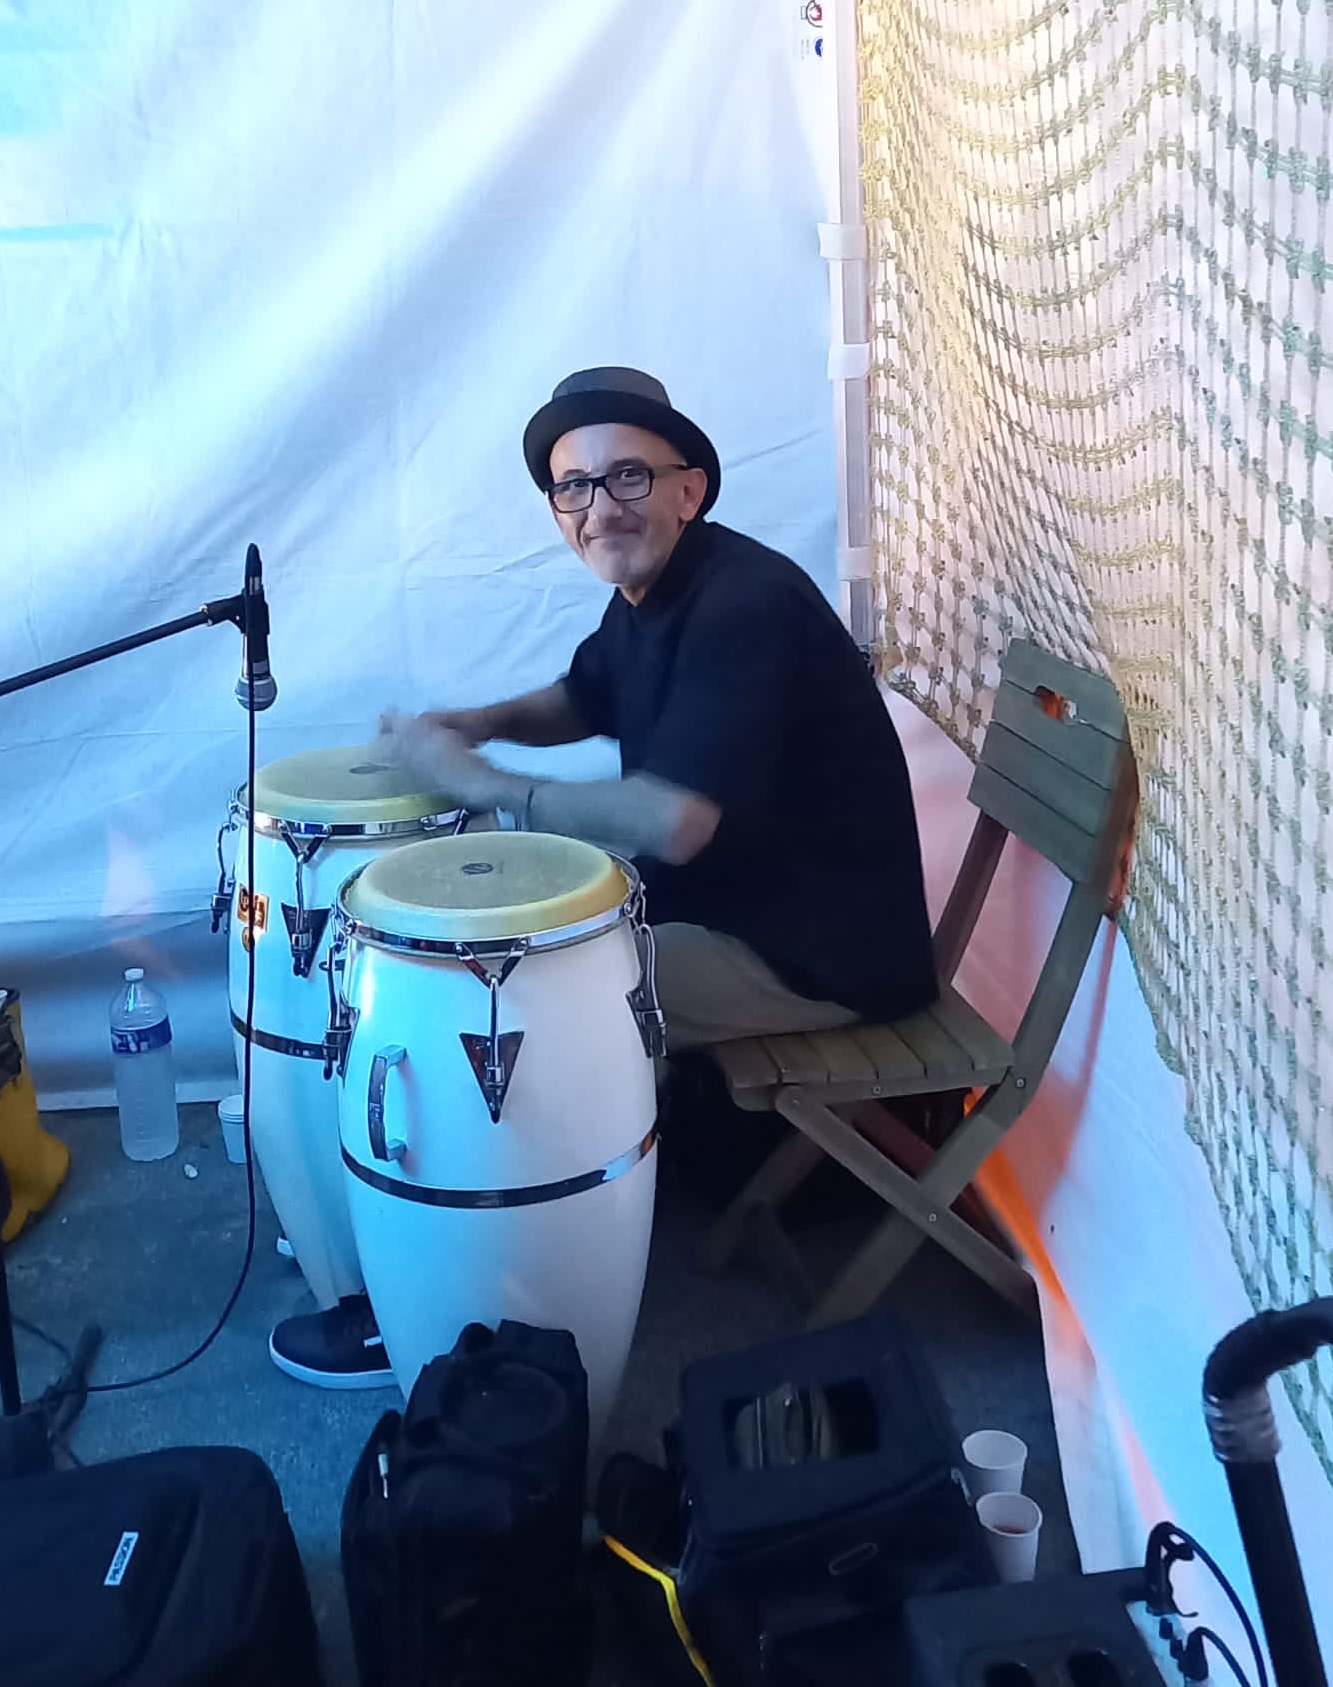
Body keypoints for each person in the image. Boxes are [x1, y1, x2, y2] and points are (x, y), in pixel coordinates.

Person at [267, 368, 937, 1388]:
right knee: (500, 960)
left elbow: (678, 822)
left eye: (629, 475)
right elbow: (583, 696)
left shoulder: (743, 606)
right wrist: (471, 724)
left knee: (518, 1012)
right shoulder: (655, 592)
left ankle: (471, 1312)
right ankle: (414, 1235)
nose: (600, 506)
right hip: (740, 911)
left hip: (817, 953)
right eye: (573, 486)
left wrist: (486, 783)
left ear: (689, 488)